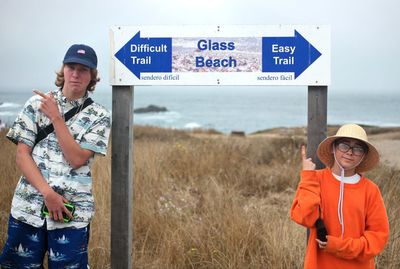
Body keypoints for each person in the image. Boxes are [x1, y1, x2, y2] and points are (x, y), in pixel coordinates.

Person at [0, 44, 111, 268]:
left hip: (72, 213)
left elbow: (77, 159)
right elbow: (22, 155)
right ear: (63, 69)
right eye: (71, 67)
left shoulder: (99, 115)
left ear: (92, 77)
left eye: (84, 69)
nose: (76, 74)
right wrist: (47, 194)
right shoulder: (36, 103)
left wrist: (57, 119)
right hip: (28, 208)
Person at [290, 124, 389, 269]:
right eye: (344, 145)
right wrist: (308, 176)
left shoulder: (370, 190)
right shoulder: (314, 179)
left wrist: (338, 246)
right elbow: (304, 217)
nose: (350, 152)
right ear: (333, 148)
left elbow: (377, 239)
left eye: (358, 148)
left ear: (363, 155)